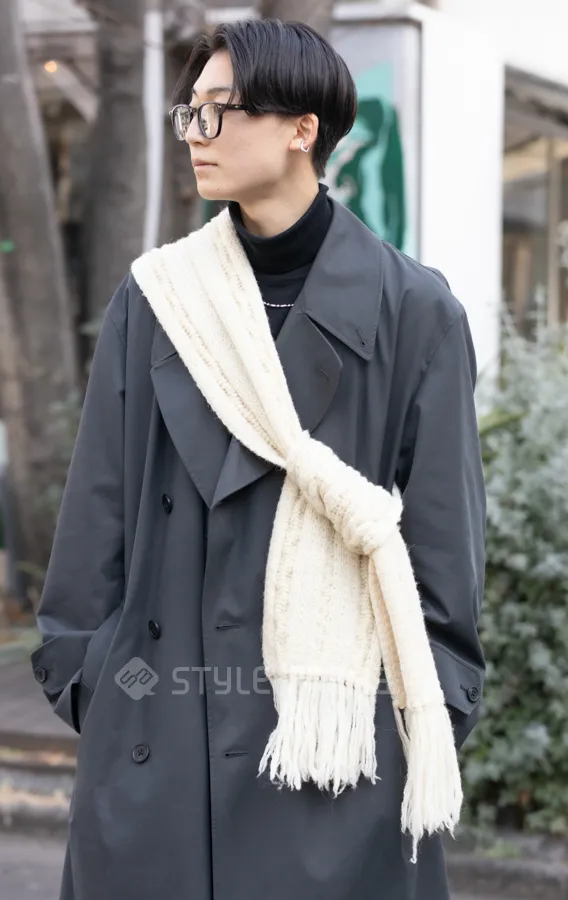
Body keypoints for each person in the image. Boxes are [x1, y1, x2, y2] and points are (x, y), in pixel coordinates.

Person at [31, 18, 486, 900]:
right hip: (155, 753)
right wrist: (109, 688)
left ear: (301, 129)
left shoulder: (414, 313)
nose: (196, 134)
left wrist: (392, 728)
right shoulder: (157, 298)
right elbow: (95, 517)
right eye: (190, 113)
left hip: (334, 757)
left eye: (220, 111)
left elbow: (446, 565)